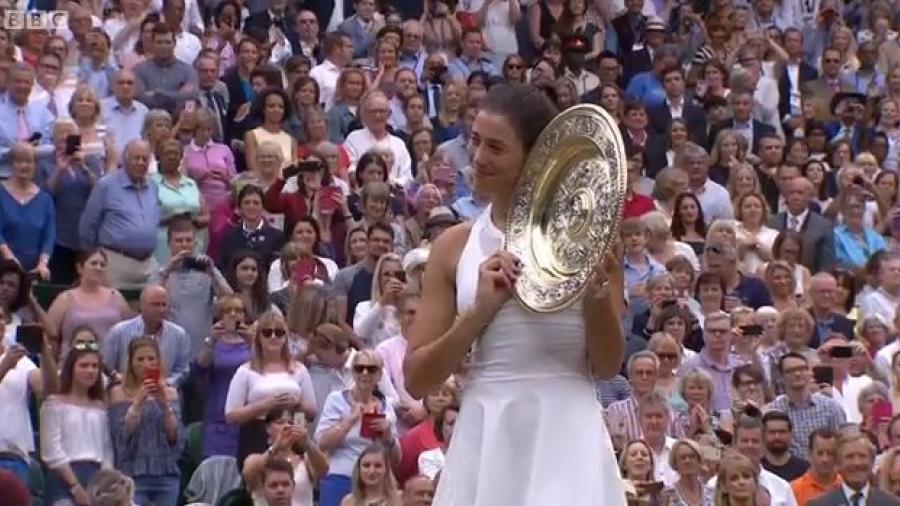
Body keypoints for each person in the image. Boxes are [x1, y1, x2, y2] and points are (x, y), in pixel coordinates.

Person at [404, 83, 626, 505]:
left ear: (537, 156)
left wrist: (596, 295)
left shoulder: (592, 236)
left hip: (568, 433)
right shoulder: (455, 245)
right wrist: (480, 312)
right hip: (487, 432)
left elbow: (608, 364)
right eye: (475, 141)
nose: (478, 157)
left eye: (496, 147)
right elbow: (418, 379)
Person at [107, 338, 183, 506]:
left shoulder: (170, 393)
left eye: (151, 359)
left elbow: (175, 437)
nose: (146, 364)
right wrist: (137, 403)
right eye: (140, 359)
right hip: (133, 474)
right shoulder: (117, 393)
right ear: (131, 362)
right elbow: (121, 436)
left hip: (166, 473)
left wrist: (164, 406)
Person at [78, 139, 160, 289]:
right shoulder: (106, 186)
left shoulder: (153, 187)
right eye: (136, 158)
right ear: (125, 159)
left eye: (145, 159)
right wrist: (96, 260)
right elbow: (87, 228)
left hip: (148, 265)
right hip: (115, 263)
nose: (140, 162)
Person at [40, 343, 113, 506]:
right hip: (64, 478)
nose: (90, 371)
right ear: (71, 368)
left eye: (95, 366)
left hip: (96, 477)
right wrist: (75, 486)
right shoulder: (54, 404)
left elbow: (107, 448)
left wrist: (104, 483)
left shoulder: (101, 407)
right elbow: (51, 450)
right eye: (84, 365)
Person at [242, 407, 330, 506]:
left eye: (291, 423)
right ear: (268, 428)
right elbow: (249, 472)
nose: (287, 426)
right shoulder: (256, 459)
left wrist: (307, 443)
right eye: (280, 422)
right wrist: (276, 447)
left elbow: (324, 470)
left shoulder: (305, 460)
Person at [0, 143, 55, 279]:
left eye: (29, 161)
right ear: (11, 164)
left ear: (35, 165)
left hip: (33, 270)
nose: (24, 165)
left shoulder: (45, 199)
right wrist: (10, 260)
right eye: (19, 161)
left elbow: (49, 235)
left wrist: (43, 263)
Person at [807, 430, 900, 505]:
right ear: (837, 464)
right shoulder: (819, 505)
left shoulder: (892, 503)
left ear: (872, 462)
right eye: (849, 457)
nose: (857, 463)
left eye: (862, 456)